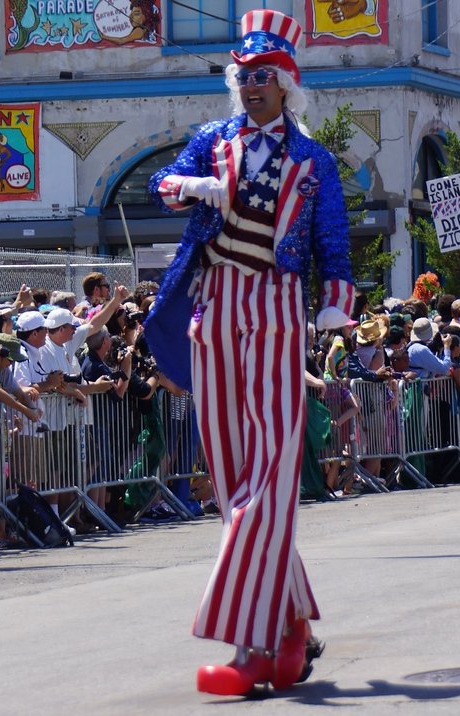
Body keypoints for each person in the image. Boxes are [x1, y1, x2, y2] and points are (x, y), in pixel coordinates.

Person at [144, 9, 353, 695]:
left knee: (270, 478)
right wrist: (191, 187)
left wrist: (334, 308)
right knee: (235, 481)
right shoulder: (212, 139)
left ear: (287, 84)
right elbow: (161, 184)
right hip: (214, 308)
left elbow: (335, 245)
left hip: (276, 310)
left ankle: (252, 644)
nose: (254, 85)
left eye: (265, 75)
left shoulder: (312, 158)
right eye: (245, 75)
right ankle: (291, 629)